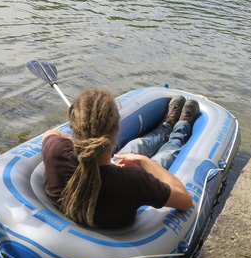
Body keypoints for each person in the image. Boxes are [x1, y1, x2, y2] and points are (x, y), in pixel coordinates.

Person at [41, 88, 197, 229]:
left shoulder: (56, 152)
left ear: (74, 127)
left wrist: (92, 150)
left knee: (136, 145)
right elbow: (185, 201)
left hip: (110, 165)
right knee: (163, 157)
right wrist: (144, 161)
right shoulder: (132, 180)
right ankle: (180, 128)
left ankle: (166, 125)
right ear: (116, 128)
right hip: (123, 177)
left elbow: (50, 134)